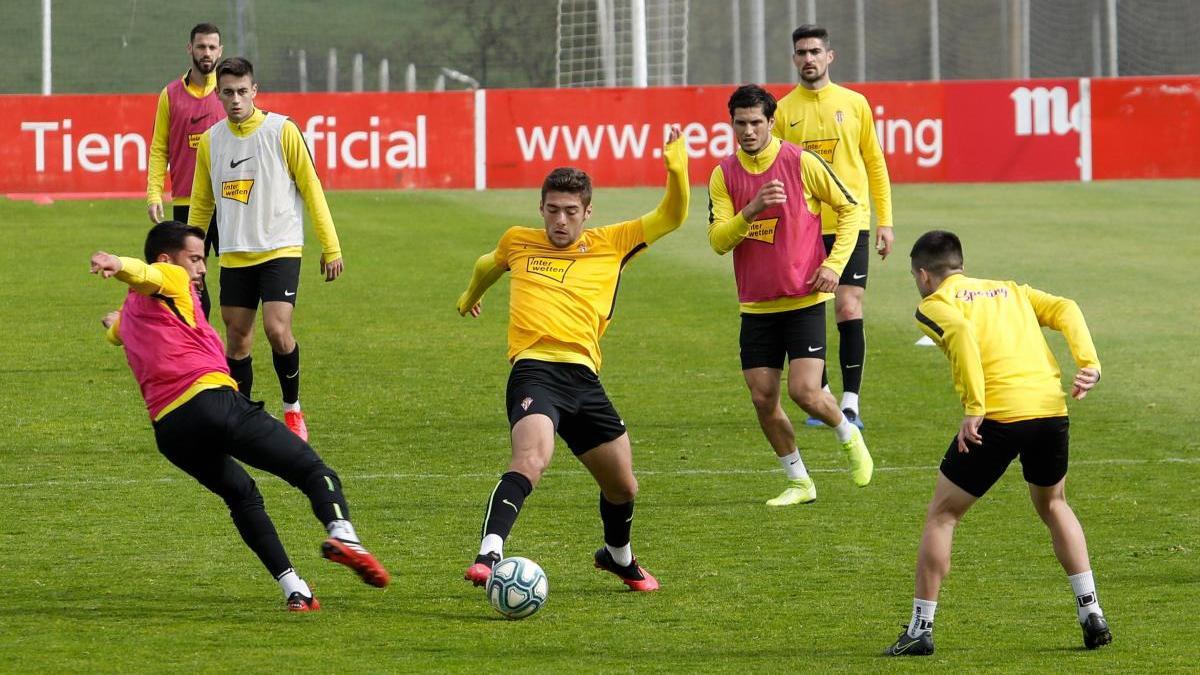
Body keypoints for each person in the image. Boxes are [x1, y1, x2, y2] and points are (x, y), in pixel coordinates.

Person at [90, 221, 387, 612]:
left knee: (243, 497)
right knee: (314, 472)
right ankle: (344, 535)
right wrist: (117, 262)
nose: (201, 269)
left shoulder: (134, 314)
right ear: (168, 259)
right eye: (195, 259)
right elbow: (144, 272)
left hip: (171, 432)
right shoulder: (172, 278)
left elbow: (124, 328)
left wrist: (114, 325)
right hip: (211, 403)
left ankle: (295, 589)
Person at [456, 127, 689, 592]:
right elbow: (488, 264)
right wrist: (470, 296)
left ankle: (618, 557)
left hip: (585, 380)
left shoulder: (614, 242)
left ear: (587, 212)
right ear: (541, 208)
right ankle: (489, 553)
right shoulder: (518, 241)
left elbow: (672, 215)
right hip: (534, 371)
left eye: (570, 212)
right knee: (531, 459)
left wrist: (676, 162)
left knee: (623, 488)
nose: (560, 221)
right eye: (552, 210)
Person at [884, 230, 1111, 656]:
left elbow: (965, 338)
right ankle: (1091, 612)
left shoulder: (934, 304)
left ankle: (920, 629)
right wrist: (1088, 363)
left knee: (943, 515)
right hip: (1050, 411)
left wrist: (974, 407)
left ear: (923, 274)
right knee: (1055, 505)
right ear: (961, 264)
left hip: (998, 416)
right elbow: (1067, 307)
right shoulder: (1010, 290)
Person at [708, 84, 873, 507]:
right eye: (740, 123)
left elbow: (852, 208)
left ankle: (846, 431)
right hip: (756, 306)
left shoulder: (800, 162)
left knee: (805, 392)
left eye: (756, 123)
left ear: (770, 122)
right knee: (763, 398)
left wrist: (834, 264)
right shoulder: (723, 175)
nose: (748, 131)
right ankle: (800, 481)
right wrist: (752, 209)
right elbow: (718, 241)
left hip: (802, 301)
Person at [189, 57, 344, 442]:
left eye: (243, 91)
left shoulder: (282, 130)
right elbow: (201, 206)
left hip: (280, 249)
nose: (236, 99)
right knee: (238, 339)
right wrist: (189, 260)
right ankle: (242, 416)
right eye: (228, 93)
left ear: (254, 90)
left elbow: (311, 187)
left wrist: (331, 246)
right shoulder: (211, 141)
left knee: (277, 330)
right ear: (218, 94)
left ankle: (292, 410)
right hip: (235, 254)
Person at [771, 24, 894, 430]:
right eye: (801, 52)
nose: (808, 59)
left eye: (815, 51)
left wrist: (885, 222)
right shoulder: (784, 110)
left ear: (830, 56)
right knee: (809, 309)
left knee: (846, 305)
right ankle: (820, 397)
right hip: (802, 227)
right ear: (794, 59)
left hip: (850, 222)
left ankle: (851, 401)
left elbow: (874, 164)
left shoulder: (855, 103)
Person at [145, 22, 226, 319]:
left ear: (220, 50)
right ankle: (197, 348)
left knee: (235, 283)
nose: (207, 53)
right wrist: (154, 193)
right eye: (201, 46)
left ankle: (232, 353)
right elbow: (159, 148)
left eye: (212, 47)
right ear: (190, 48)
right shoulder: (170, 95)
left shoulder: (229, 92)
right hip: (187, 203)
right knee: (192, 285)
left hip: (229, 200)